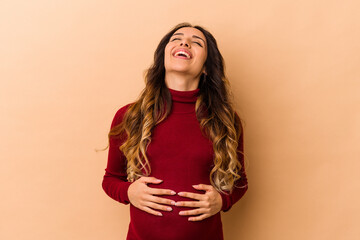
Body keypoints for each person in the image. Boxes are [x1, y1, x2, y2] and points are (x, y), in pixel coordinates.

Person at [102, 22, 248, 240]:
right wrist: (128, 192)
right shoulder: (130, 115)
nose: (185, 42)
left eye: (197, 42)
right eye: (177, 38)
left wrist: (222, 201)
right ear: (164, 57)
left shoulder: (225, 120)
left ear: (207, 66)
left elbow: (240, 182)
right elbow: (111, 179)